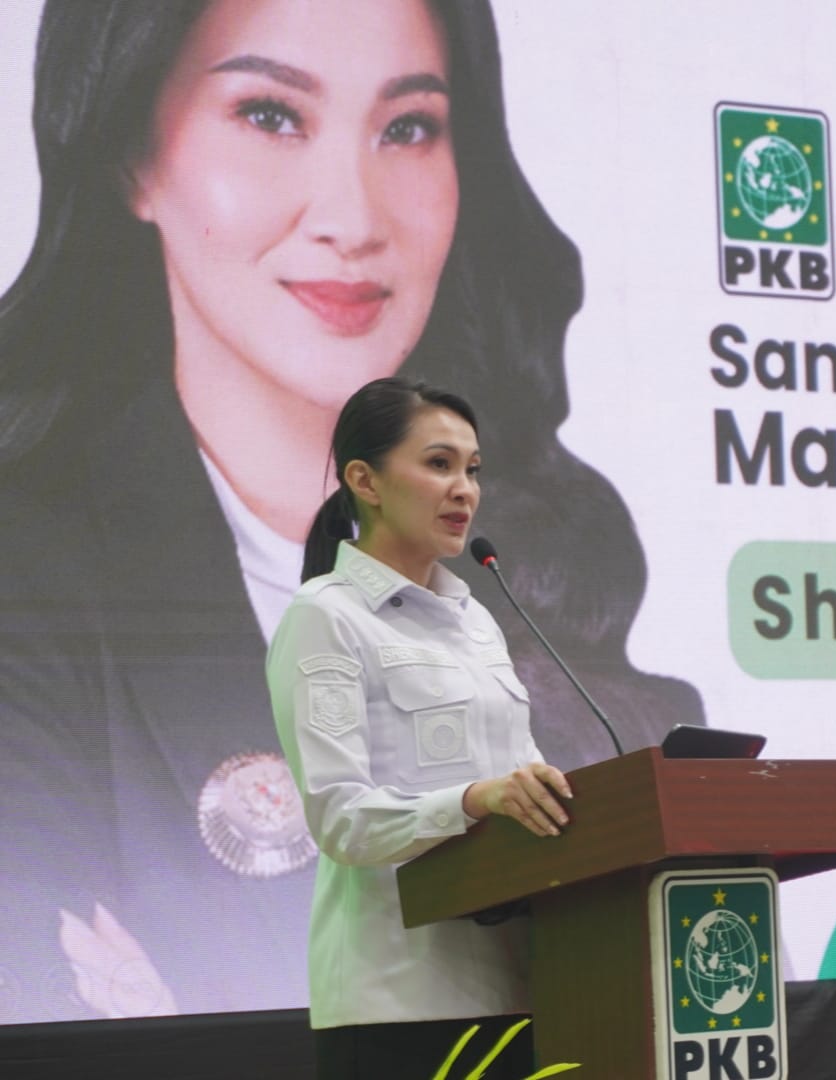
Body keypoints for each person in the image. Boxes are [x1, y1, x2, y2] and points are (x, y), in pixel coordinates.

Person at [0, 0, 701, 1025]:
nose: (354, 216)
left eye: (407, 128)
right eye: (271, 115)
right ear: (130, 158)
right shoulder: (27, 566)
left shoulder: (509, 568)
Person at [269, 376, 567, 1079]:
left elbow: (518, 781)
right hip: (398, 1002)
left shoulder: (476, 620)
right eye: (439, 464)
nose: (465, 490)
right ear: (364, 481)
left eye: (473, 470)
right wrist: (475, 800)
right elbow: (341, 819)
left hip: (518, 988)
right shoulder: (326, 616)